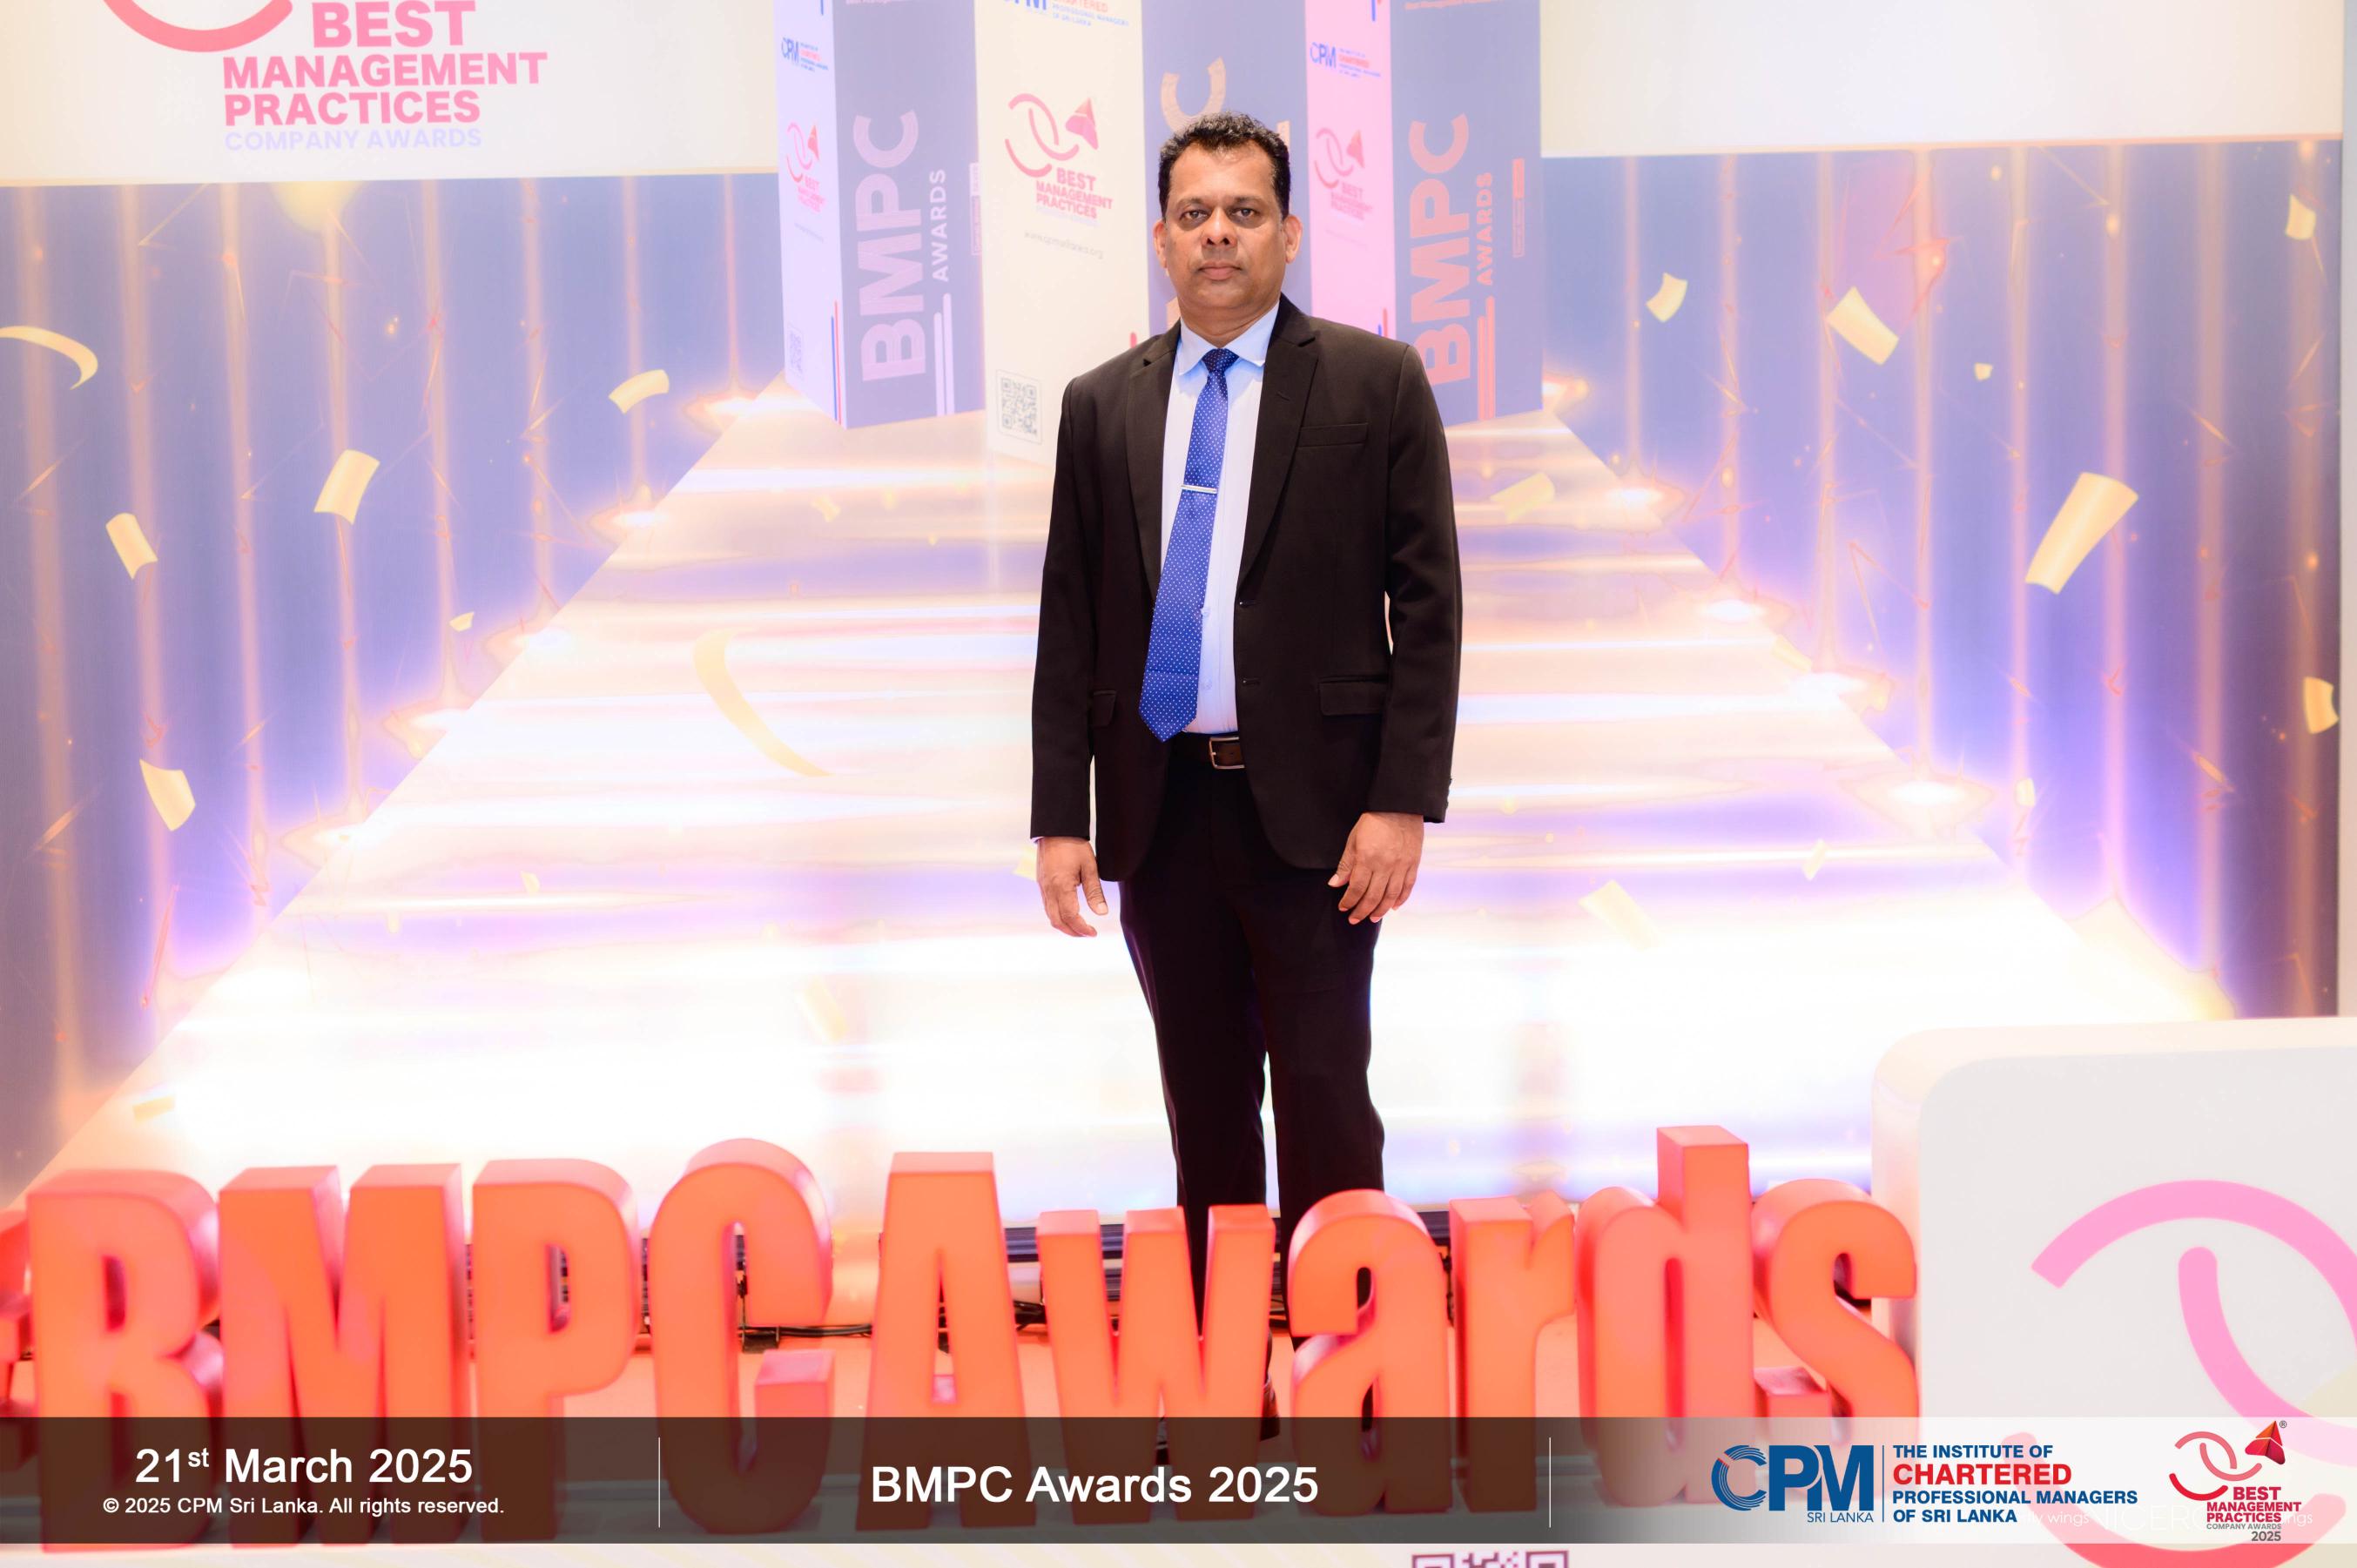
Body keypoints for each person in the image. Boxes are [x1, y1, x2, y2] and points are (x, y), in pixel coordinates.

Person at [1028, 111, 1462, 1335]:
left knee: (1326, 1096)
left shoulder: (1377, 381)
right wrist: (1062, 816)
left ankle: (1347, 1364)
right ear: (1161, 239)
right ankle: (1223, 1375)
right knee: (1205, 1108)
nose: (1218, 234)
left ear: (1290, 233)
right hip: (1161, 812)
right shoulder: (1100, 404)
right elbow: (1071, 620)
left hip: (1321, 817)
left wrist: (1399, 802)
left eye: (1245, 211)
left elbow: (1430, 609)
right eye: (1195, 213)